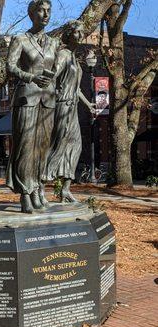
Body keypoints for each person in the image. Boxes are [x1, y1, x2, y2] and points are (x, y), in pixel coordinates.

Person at [6, 0, 59, 213]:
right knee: (26, 147)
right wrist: (30, 77)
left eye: (48, 10)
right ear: (31, 13)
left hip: (47, 100)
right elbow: (9, 66)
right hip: (26, 98)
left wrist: (51, 78)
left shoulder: (54, 42)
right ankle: (25, 193)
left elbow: (55, 67)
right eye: (41, 10)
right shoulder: (20, 39)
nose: (45, 14)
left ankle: (38, 188)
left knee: (42, 148)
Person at [45, 20, 95, 202]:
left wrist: (89, 105)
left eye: (82, 32)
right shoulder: (64, 55)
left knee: (75, 146)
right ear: (68, 34)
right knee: (57, 145)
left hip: (72, 107)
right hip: (62, 105)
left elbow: (77, 89)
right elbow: (52, 76)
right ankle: (39, 185)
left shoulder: (75, 59)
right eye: (77, 32)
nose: (81, 35)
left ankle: (65, 189)